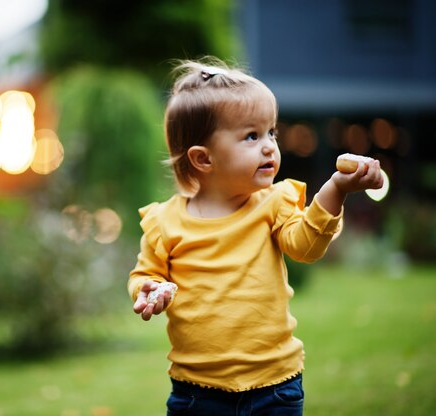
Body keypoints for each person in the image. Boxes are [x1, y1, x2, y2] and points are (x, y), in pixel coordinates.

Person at [127, 57, 383, 416]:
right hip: (197, 392)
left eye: (271, 132)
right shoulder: (164, 221)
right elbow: (144, 274)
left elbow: (305, 246)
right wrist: (148, 289)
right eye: (251, 136)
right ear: (203, 159)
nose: (269, 146)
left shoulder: (273, 204)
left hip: (274, 386)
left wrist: (335, 189)